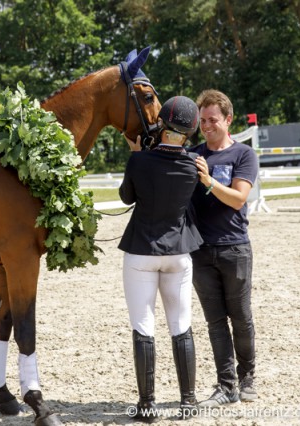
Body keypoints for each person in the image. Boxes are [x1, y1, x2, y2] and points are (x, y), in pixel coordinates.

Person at [119, 95, 203, 421]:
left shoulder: (140, 160)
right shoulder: (193, 165)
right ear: (190, 131)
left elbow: (126, 196)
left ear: (162, 124)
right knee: (181, 326)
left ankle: (148, 406)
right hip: (179, 253)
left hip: (141, 250)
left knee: (144, 327)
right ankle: (188, 402)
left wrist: (137, 154)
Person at [189, 89, 259, 407]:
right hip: (200, 252)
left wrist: (208, 182)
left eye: (212, 120)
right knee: (215, 322)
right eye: (202, 120)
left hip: (235, 249)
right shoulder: (193, 156)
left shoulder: (243, 155)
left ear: (228, 120)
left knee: (241, 318)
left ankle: (248, 379)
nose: (206, 126)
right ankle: (225, 385)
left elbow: (238, 198)